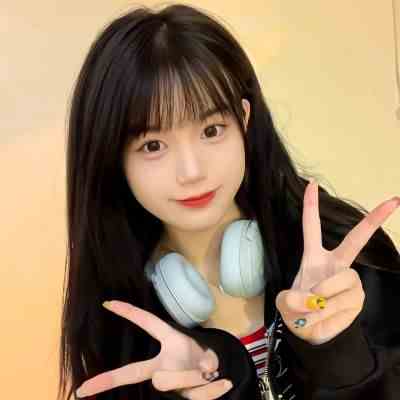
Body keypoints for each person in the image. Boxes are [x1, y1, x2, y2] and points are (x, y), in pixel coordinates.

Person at [58, 3, 400, 400]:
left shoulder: (344, 258)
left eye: (211, 130)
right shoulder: (121, 324)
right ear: (113, 159)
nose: (191, 171)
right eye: (153, 145)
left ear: (244, 119)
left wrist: (337, 353)